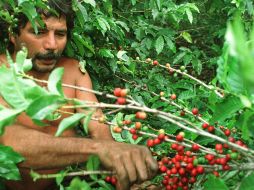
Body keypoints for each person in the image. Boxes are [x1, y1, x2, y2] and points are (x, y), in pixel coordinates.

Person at [0, 1, 158, 190]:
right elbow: (10, 143)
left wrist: (127, 173)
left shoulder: (74, 72)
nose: (52, 45)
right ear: (12, 34)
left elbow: (100, 132)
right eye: (39, 32)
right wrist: (97, 149)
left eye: (60, 34)